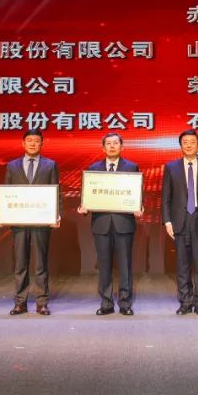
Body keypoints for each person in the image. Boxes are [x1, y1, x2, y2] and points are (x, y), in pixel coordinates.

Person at [0, 128, 61, 316]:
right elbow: (7, 192)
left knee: (41, 263)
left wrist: (57, 214)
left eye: (36, 140)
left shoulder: (50, 165)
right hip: (19, 221)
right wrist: (1, 214)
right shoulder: (12, 166)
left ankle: (42, 303)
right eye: (29, 140)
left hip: (42, 220)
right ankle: (20, 303)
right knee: (20, 263)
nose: (33, 143)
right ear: (23, 143)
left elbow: (56, 191)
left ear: (42, 143)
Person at [78, 133, 142, 316]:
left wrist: (139, 205)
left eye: (115, 143)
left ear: (122, 146)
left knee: (125, 265)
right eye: (108, 143)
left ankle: (125, 303)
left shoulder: (131, 167)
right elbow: (88, 195)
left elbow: (137, 192)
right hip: (101, 223)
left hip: (124, 223)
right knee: (104, 265)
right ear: (103, 147)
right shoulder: (93, 169)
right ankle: (106, 303)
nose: (112, 146)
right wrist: (84, 207)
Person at [161, 129, 198, 315]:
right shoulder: (171, 167)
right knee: (182, 265)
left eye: (192, 142)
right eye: (185, 142)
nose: (188, 145)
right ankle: (185, 303)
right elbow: (165, 198)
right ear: (181, 145)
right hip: (179, 220)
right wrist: (167, 221)